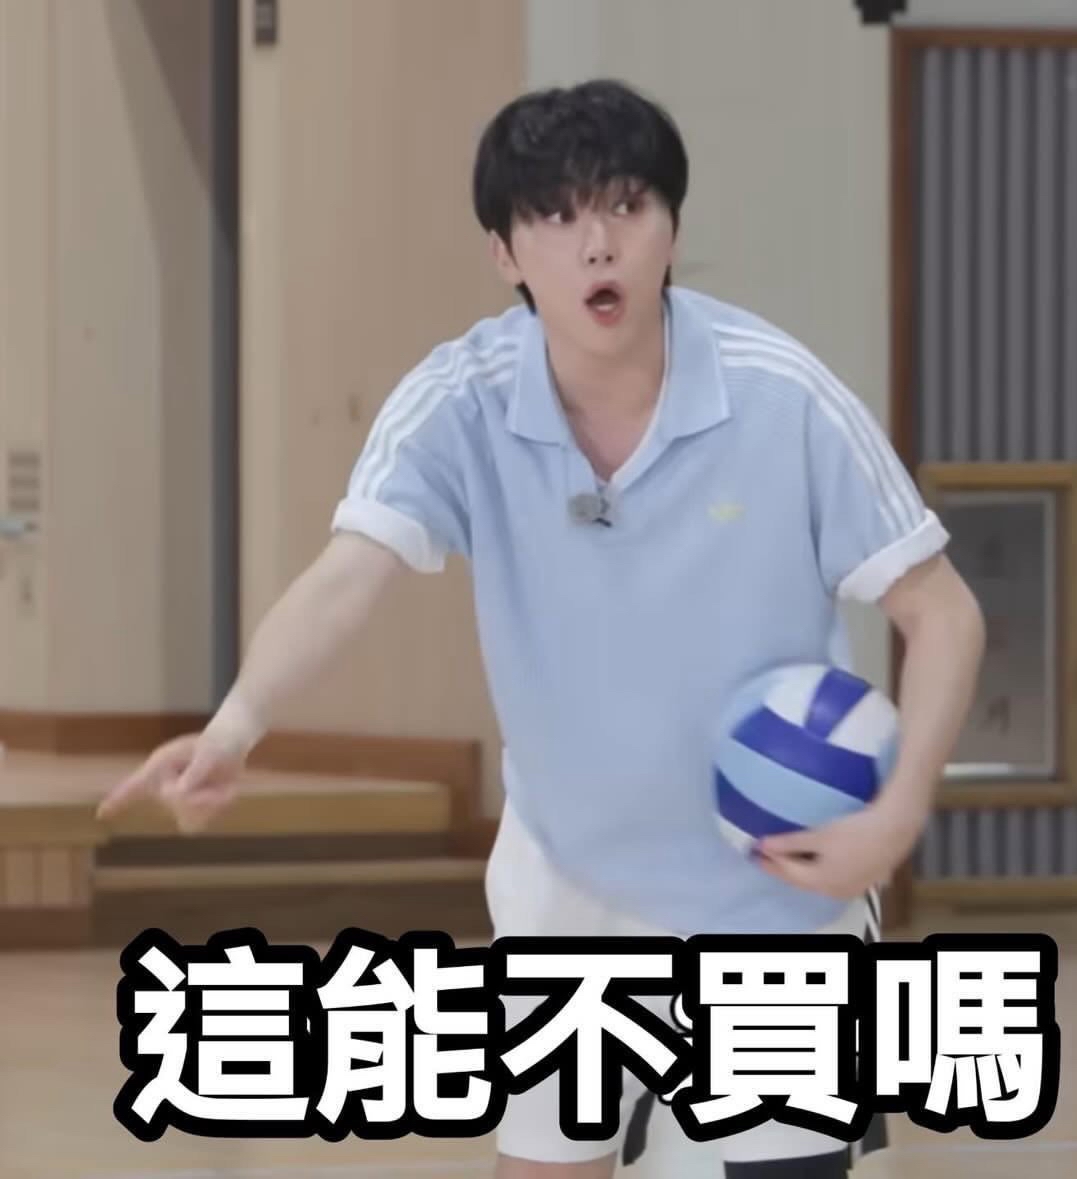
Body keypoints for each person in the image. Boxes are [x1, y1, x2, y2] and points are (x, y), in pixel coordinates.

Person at [98, 80, 984, 1178]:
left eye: (625, 206)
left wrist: (898, 813)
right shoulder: (458, 401)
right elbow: (347, 576)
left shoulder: (783, 396)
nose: (596, 243)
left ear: (672, 229)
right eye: (556, 216)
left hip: (774, 876)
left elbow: (941, 611)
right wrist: (235, 726)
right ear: (505, 254)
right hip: (568, 877)